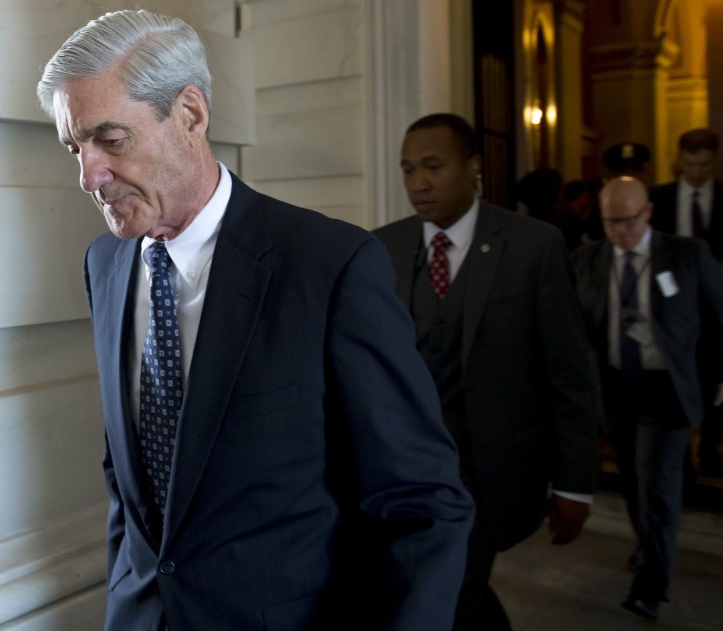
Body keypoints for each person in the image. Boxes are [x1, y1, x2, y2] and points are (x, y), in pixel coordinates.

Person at [36, 10, 474, 631]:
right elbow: (131, 483)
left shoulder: (330, 265)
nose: (88, 176)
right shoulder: (104, 262)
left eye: (110, 140)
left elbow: (421, 505)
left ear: (190, 114)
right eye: (74, 147)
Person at [373, 113, 602, 630]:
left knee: (453, 592)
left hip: (487, 473)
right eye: (408, 169)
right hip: (402, 471)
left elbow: (569, 376)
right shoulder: (382, 247)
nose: (418, 183)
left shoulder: (532, 246)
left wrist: (574, 484)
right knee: (439, 593)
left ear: (473, 168)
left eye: (433, 166)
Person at [571, 176, 723, 620]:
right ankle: (648, 544)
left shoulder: (686, 255)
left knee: (658, 482)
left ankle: (651, 586)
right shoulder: (586, 261)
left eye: (628, 220)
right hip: (617, 387)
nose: (621, 231)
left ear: (647, 212)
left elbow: (721, 317)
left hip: (669, 386)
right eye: (611, 222)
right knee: (632, 476)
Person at [650, 128, 723, 477]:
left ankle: (712, 445)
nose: (696, 172)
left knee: (716, 372)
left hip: (715, 298)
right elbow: (651, 254)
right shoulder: (660, 198)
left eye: (703, 164)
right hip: (670, 297)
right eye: (689, 164)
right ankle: (679, 450)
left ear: (713, 160)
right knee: (674, 375)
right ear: (679, 159)